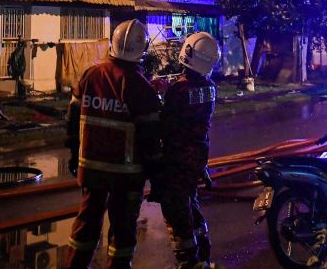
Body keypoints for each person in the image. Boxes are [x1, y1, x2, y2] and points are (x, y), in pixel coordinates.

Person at [65, 20, 162, 268]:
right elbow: (151, 137)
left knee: (86, 223)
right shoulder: (140, 87)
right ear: (142, 49)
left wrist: (74, 155)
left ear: (113, 44)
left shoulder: (89, 76)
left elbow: (72, 121)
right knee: (122, 230)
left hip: (92, 170)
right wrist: (155, 171)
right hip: (126, 176)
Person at [151, 32, 221, 268]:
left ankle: (188, 261)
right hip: (196, 160)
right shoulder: (210, 88)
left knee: (177, 212)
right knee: (190, 204)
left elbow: (164, 124)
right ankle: (203, 252)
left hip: (176, 161)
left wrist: (157, 94)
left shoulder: (178, 91)